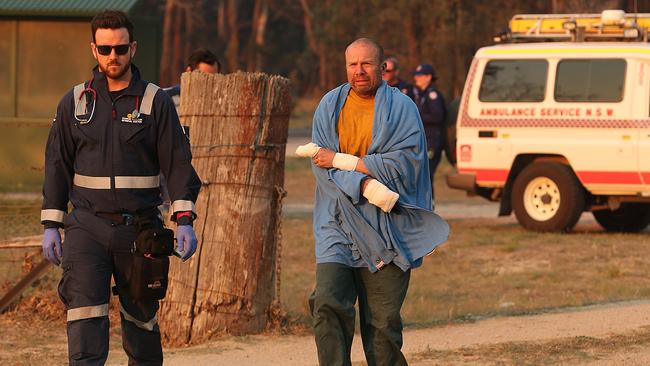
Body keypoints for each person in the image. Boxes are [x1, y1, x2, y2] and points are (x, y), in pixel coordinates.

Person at [40, 10, 201, 365]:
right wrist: (51, 225)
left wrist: (185, 218)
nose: (114, 56)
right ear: (93, 50)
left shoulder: (155, 102)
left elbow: (177, 162)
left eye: (121, 48)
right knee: (84, 323)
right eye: (106, 49)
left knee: (142, 328)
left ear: (133, 48)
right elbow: (57, 165)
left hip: (140, 231)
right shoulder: (75, 102)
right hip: (86, 229)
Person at [295, 38, 448, 366]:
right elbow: (321, 166)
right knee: (326, 303)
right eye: (352, 64)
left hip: (387, 230)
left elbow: (406, 165)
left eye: (367, 64)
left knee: (382, 326)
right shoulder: (329, 106)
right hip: (337, 221)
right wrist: (364, 183)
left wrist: (345, 162)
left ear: (382, 68)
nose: (359, 71)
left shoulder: (403, 108)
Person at [412, 63, 447, 198]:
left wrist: (417, 116)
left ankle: (429, 203)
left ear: (428, 77)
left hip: (433, 140)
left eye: (419, 76)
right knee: (421, 174)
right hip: (425, 140)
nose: (416, 78)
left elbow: (437, 116)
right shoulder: (422, 94)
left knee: (427, 173)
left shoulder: (432, 95)